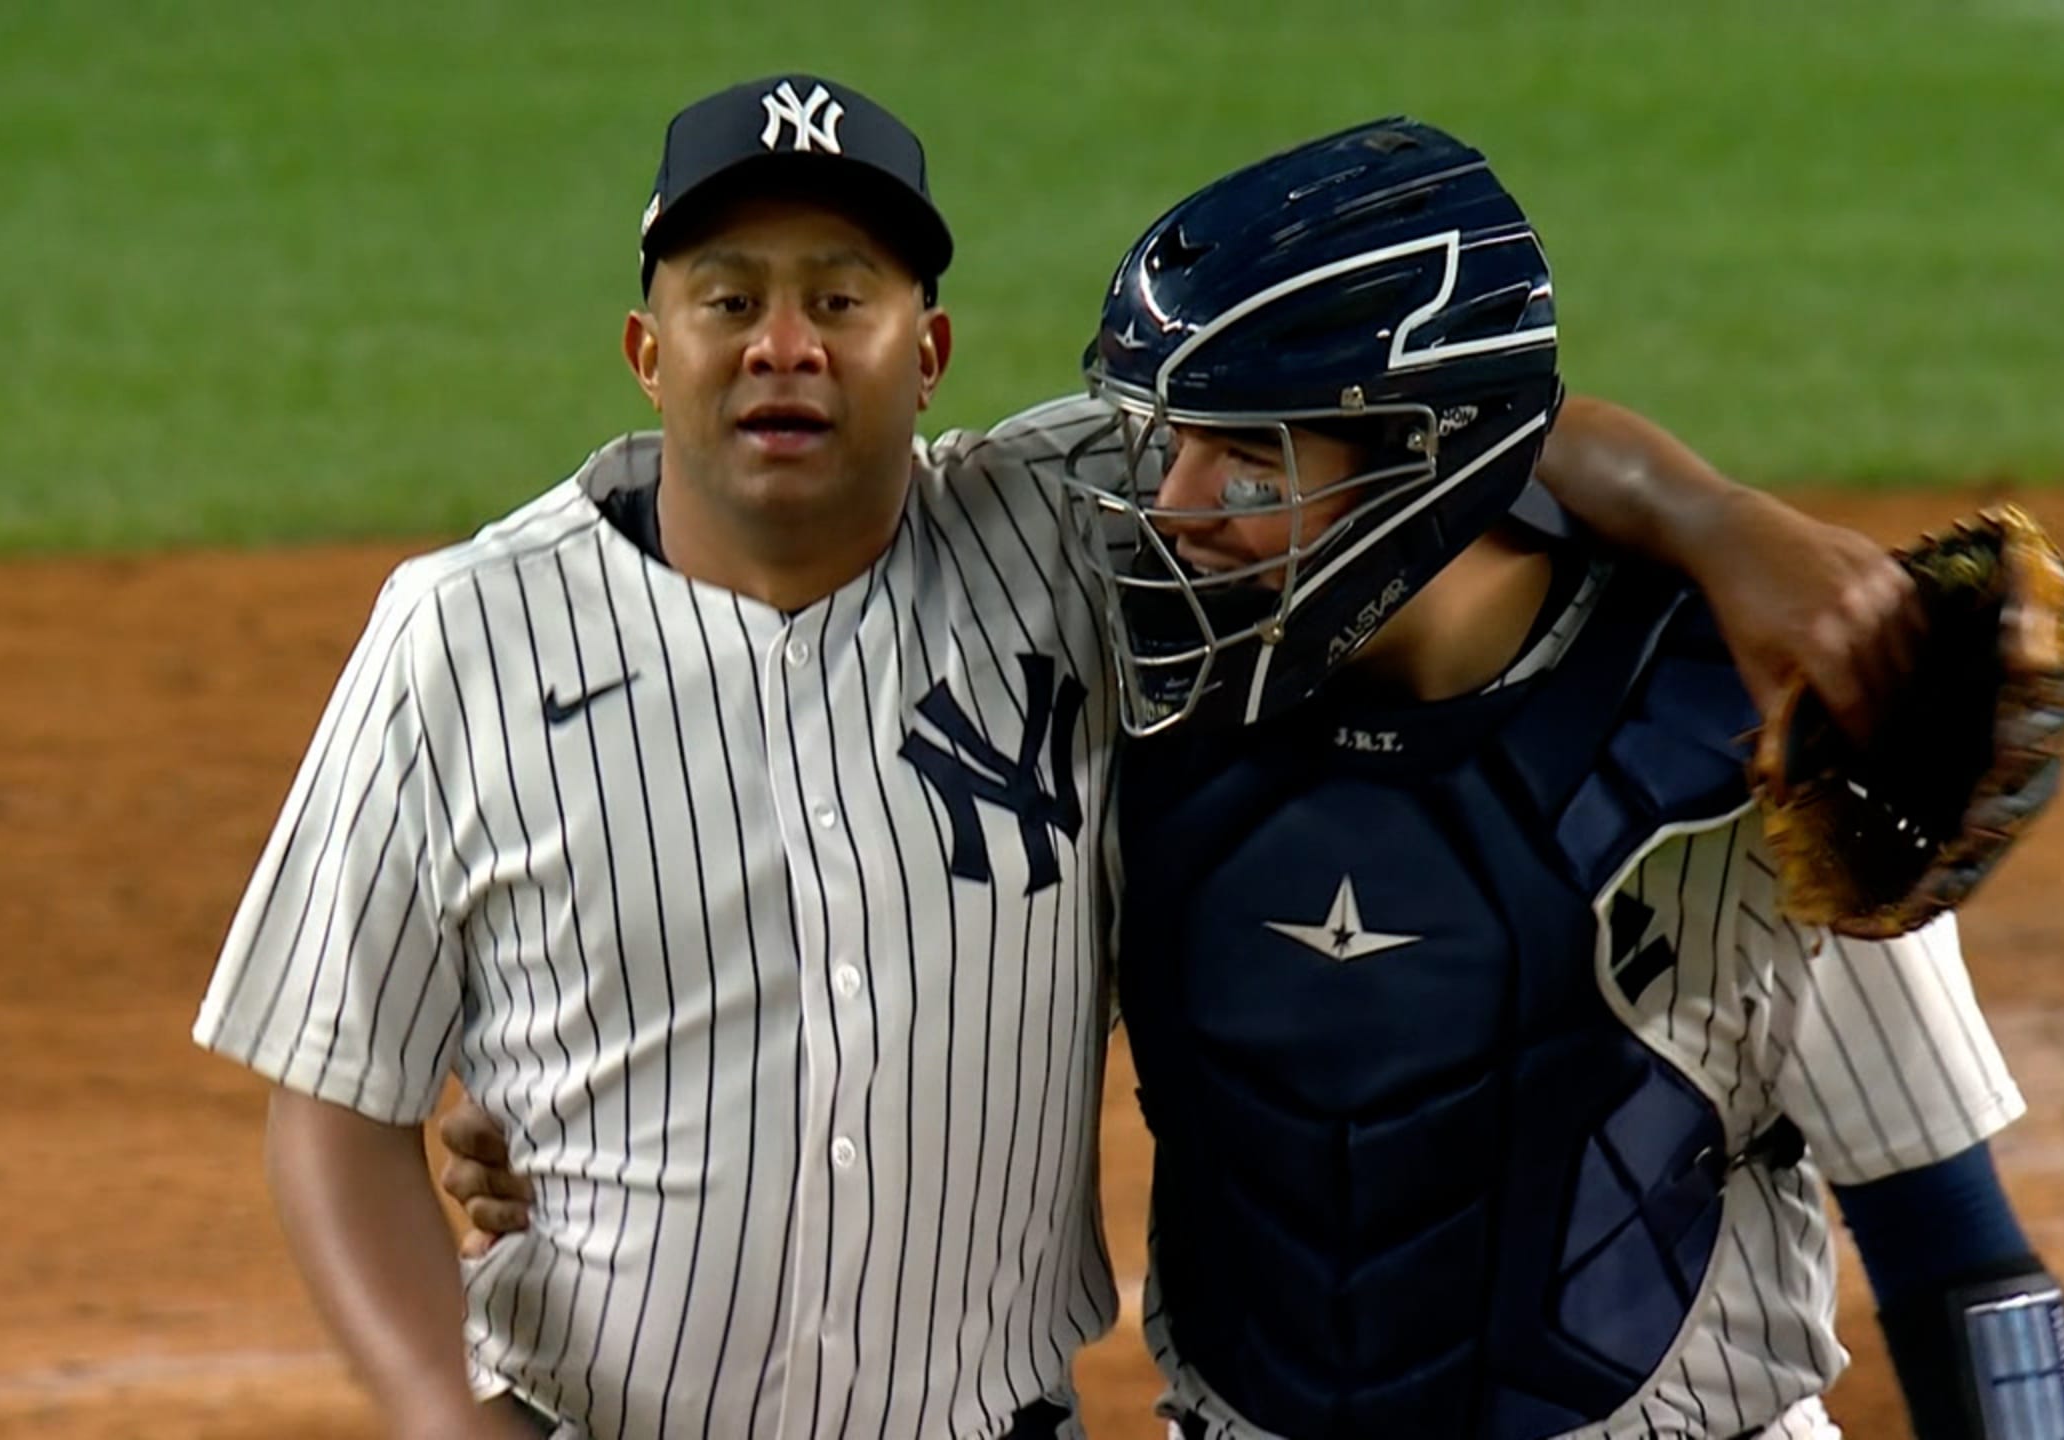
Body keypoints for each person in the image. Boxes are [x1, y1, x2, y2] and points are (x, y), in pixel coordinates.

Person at [201, 76, 1929, 1440]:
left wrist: (1714, 518)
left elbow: (1423, 423)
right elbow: (329, 1098)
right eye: (728, 296)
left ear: (928, 352)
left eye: (843, 295)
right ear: (649, 349)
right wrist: (453, 1397)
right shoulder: (461, 633)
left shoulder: (1074, 536)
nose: (784, 343)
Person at [1069, 121, 2064, 1438]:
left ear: (1423, 467)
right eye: (1175, 444)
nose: (1182, 510)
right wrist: (1697, 502)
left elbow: (1957, 1254)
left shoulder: (1743, 729)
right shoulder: (1134, 708)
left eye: (1250, 461)